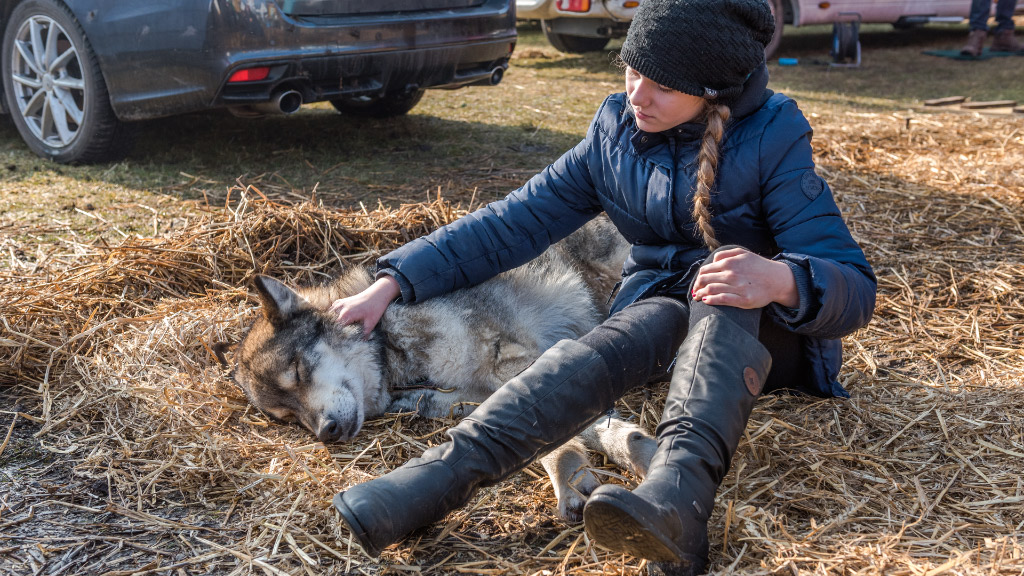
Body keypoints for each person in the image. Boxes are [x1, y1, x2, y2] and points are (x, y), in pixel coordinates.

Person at [329, 0, 876, 573]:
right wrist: (393, 281)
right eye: (633, 71)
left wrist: (780, 278)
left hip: (767, 338)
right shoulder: (615, 132)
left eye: (662, 86)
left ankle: (678, 504)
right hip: (667, 318)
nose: (638, 95)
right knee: (629, 330)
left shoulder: (772, 134)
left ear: (711, 89)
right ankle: (438, 477)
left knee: (722, 284)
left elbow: (855, 286)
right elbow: (511, 223)